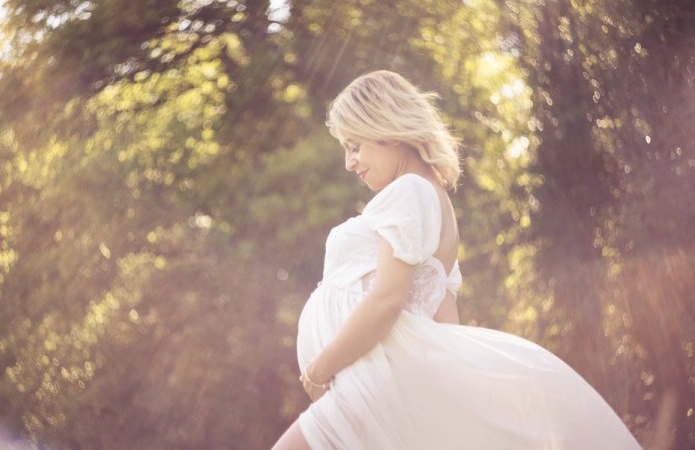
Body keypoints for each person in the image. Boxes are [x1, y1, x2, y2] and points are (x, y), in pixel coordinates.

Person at [272, 70, 643, 450]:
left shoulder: (409, 190)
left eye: (355, 146)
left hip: (370, 387)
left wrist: (320, 370)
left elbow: (387, 299)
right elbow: (444, 316)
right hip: (379, 386)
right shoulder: (431, 199)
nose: (350, 163)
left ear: (389, 129)